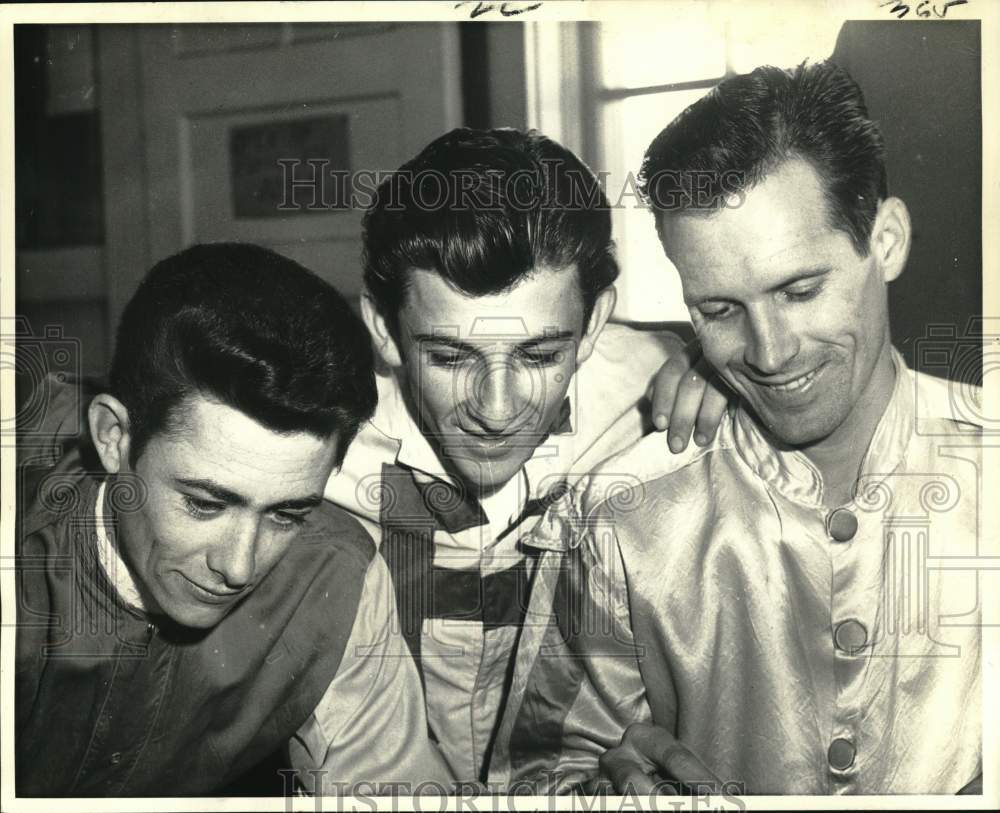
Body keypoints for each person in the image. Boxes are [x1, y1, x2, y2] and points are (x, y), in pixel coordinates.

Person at [489, 62, 983, 795]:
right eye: (718, 310)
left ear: (886, 240)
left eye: (800, 289)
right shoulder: (617, 516)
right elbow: (530, 779)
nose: (771, 352)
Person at [314, 128, 728, 782]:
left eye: (540, 355)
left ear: (593, 326)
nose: (497, 409)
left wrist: (735, 376)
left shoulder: (657, 393)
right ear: (384, 330)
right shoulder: (311, 447)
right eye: (450, 356)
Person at [15, 243, 451, 796]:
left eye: (288, 513)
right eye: (204, 503)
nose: (239, 566)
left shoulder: (340, 578)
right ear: (113, 438)